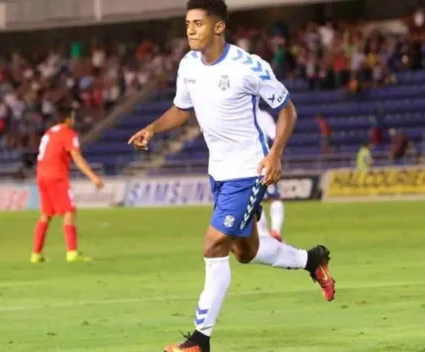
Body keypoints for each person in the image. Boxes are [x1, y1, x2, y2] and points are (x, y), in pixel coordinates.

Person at [128, 1, 335, 351]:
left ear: (219, 27)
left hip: (248, 170)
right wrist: (153, 128)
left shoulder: (247, 67)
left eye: (198, 23)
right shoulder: (189, 65)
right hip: (219, 172)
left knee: (213, 243)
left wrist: (275, 154)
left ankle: (199, 339)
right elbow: (182, 108)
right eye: (187, 24)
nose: (190, 30)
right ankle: (312, 259)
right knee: (245, 251)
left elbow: (287, 110)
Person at [31, 106, 104, 263]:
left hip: (41, 175)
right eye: (73, 117)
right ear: (68, 119)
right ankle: (72, 252)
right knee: (69, 211)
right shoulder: (68, 133)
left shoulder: (49, 133)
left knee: (46, 214)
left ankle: (36, 254)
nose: (74, 120)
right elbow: (76, 157)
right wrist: (93, 177)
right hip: (56, 176)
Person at [256, 109, 285, 242]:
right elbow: (275, 135)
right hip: (266, 162)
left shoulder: (236, 114)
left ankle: (263, 235)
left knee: (255, 201)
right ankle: (276, 231)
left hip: (246, 164)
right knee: (274, 198)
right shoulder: (264, 116)